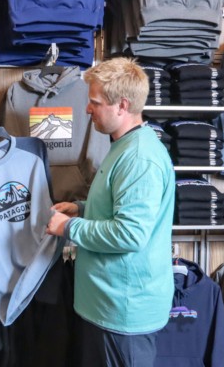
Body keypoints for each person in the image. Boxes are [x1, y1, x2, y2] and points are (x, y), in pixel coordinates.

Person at [46, 57, 175, 366]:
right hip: (108, 307)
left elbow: (130, 234)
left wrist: (67, 228)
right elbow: (119, 209)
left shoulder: (140, 158)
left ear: (122, 105)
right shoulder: (124, 146)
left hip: (123, 315)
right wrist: (80, 209)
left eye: (95, 103)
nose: (88, 110)